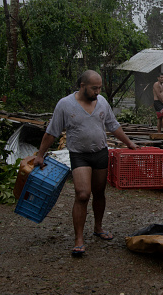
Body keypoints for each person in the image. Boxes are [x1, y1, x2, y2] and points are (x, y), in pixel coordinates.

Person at [34, 70, 138, 256]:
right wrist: (40, 154)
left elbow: (113, 125)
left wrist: (129, 143)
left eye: (99, 88)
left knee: (99, 192)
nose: (98, 91)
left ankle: (98, 227)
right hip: (79, 155)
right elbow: (52, 132)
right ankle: (79, 239)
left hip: (100, 153)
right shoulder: (65, 104)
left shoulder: (102, 102)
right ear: (82, 86)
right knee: (82, 194)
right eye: (94, 88)